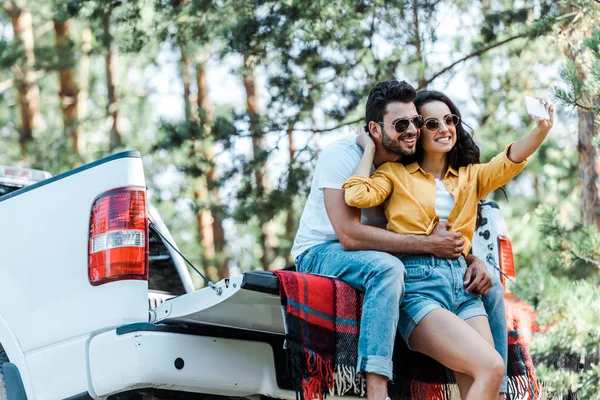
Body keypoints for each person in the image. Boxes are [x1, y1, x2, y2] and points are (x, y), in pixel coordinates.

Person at [291, 80, 504, 400]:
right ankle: (376, 388)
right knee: (387, 268)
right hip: (322, 249)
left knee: (491, 287)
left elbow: (433, 230)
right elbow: (348, 235)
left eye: (416, 122)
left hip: (389, 254)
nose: (413, 130)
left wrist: (469, 258)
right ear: (374, 129)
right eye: (401, 124)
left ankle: (498, 391)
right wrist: (429, 246)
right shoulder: (341, 154)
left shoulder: (408, 164)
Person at [342, 89, 553, 400]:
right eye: (432, 123)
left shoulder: (471, 177)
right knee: (492, 367)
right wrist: (368, 151)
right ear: (417, 130)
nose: (444, 128)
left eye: (449, 120)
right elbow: (356, 195)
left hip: (464, 290)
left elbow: (510, 159)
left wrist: (540, 130)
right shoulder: (394, 174)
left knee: (486, 385)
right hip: (419, 287)